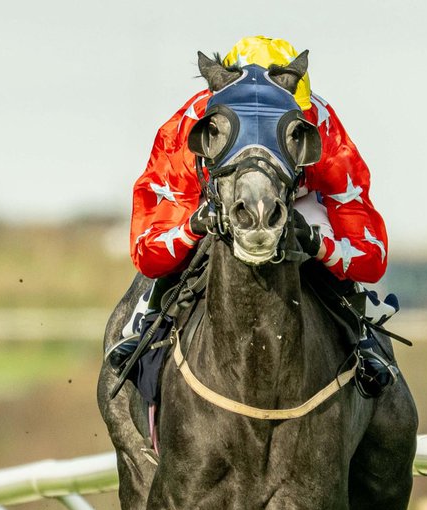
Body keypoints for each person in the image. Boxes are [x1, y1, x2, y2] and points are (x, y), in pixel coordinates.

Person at [110, 35, 399, 398]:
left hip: (295, 198)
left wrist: (317, 242)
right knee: (173, 260)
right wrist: (194, 225)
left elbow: (370, 255)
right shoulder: (186, 127)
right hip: (212, 194)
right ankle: (145, 321)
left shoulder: (320, 123)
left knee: (318, 223)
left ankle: (361, 330)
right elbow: (148, 252)